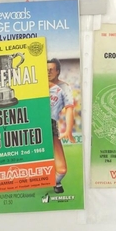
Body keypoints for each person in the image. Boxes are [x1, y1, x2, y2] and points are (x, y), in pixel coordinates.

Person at [47, 58, 76, 194]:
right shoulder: (36, 84)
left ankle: (55, 182)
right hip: (32, 124)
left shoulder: (64, 87)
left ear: (58, 71)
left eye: (51, 69)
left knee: (62, 170)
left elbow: (69, 108)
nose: (48, 72)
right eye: (46, 69)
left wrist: (68, 130)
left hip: (50, 125)